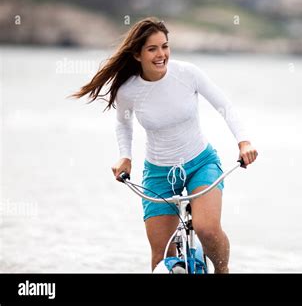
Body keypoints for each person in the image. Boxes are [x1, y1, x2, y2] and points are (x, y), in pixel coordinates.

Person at [72, 17, 258, 273]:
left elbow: (223, 105)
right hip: (159, 173)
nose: (162, 55)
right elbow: (123, 124)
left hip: (201, 163)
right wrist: (125, 157)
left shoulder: (187, 73)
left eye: (165, 46)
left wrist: (244, 141)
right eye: (153, 49)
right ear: (137, 55)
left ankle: (222, 271)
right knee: (161, 257)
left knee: (206, 229)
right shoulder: (129, 90)